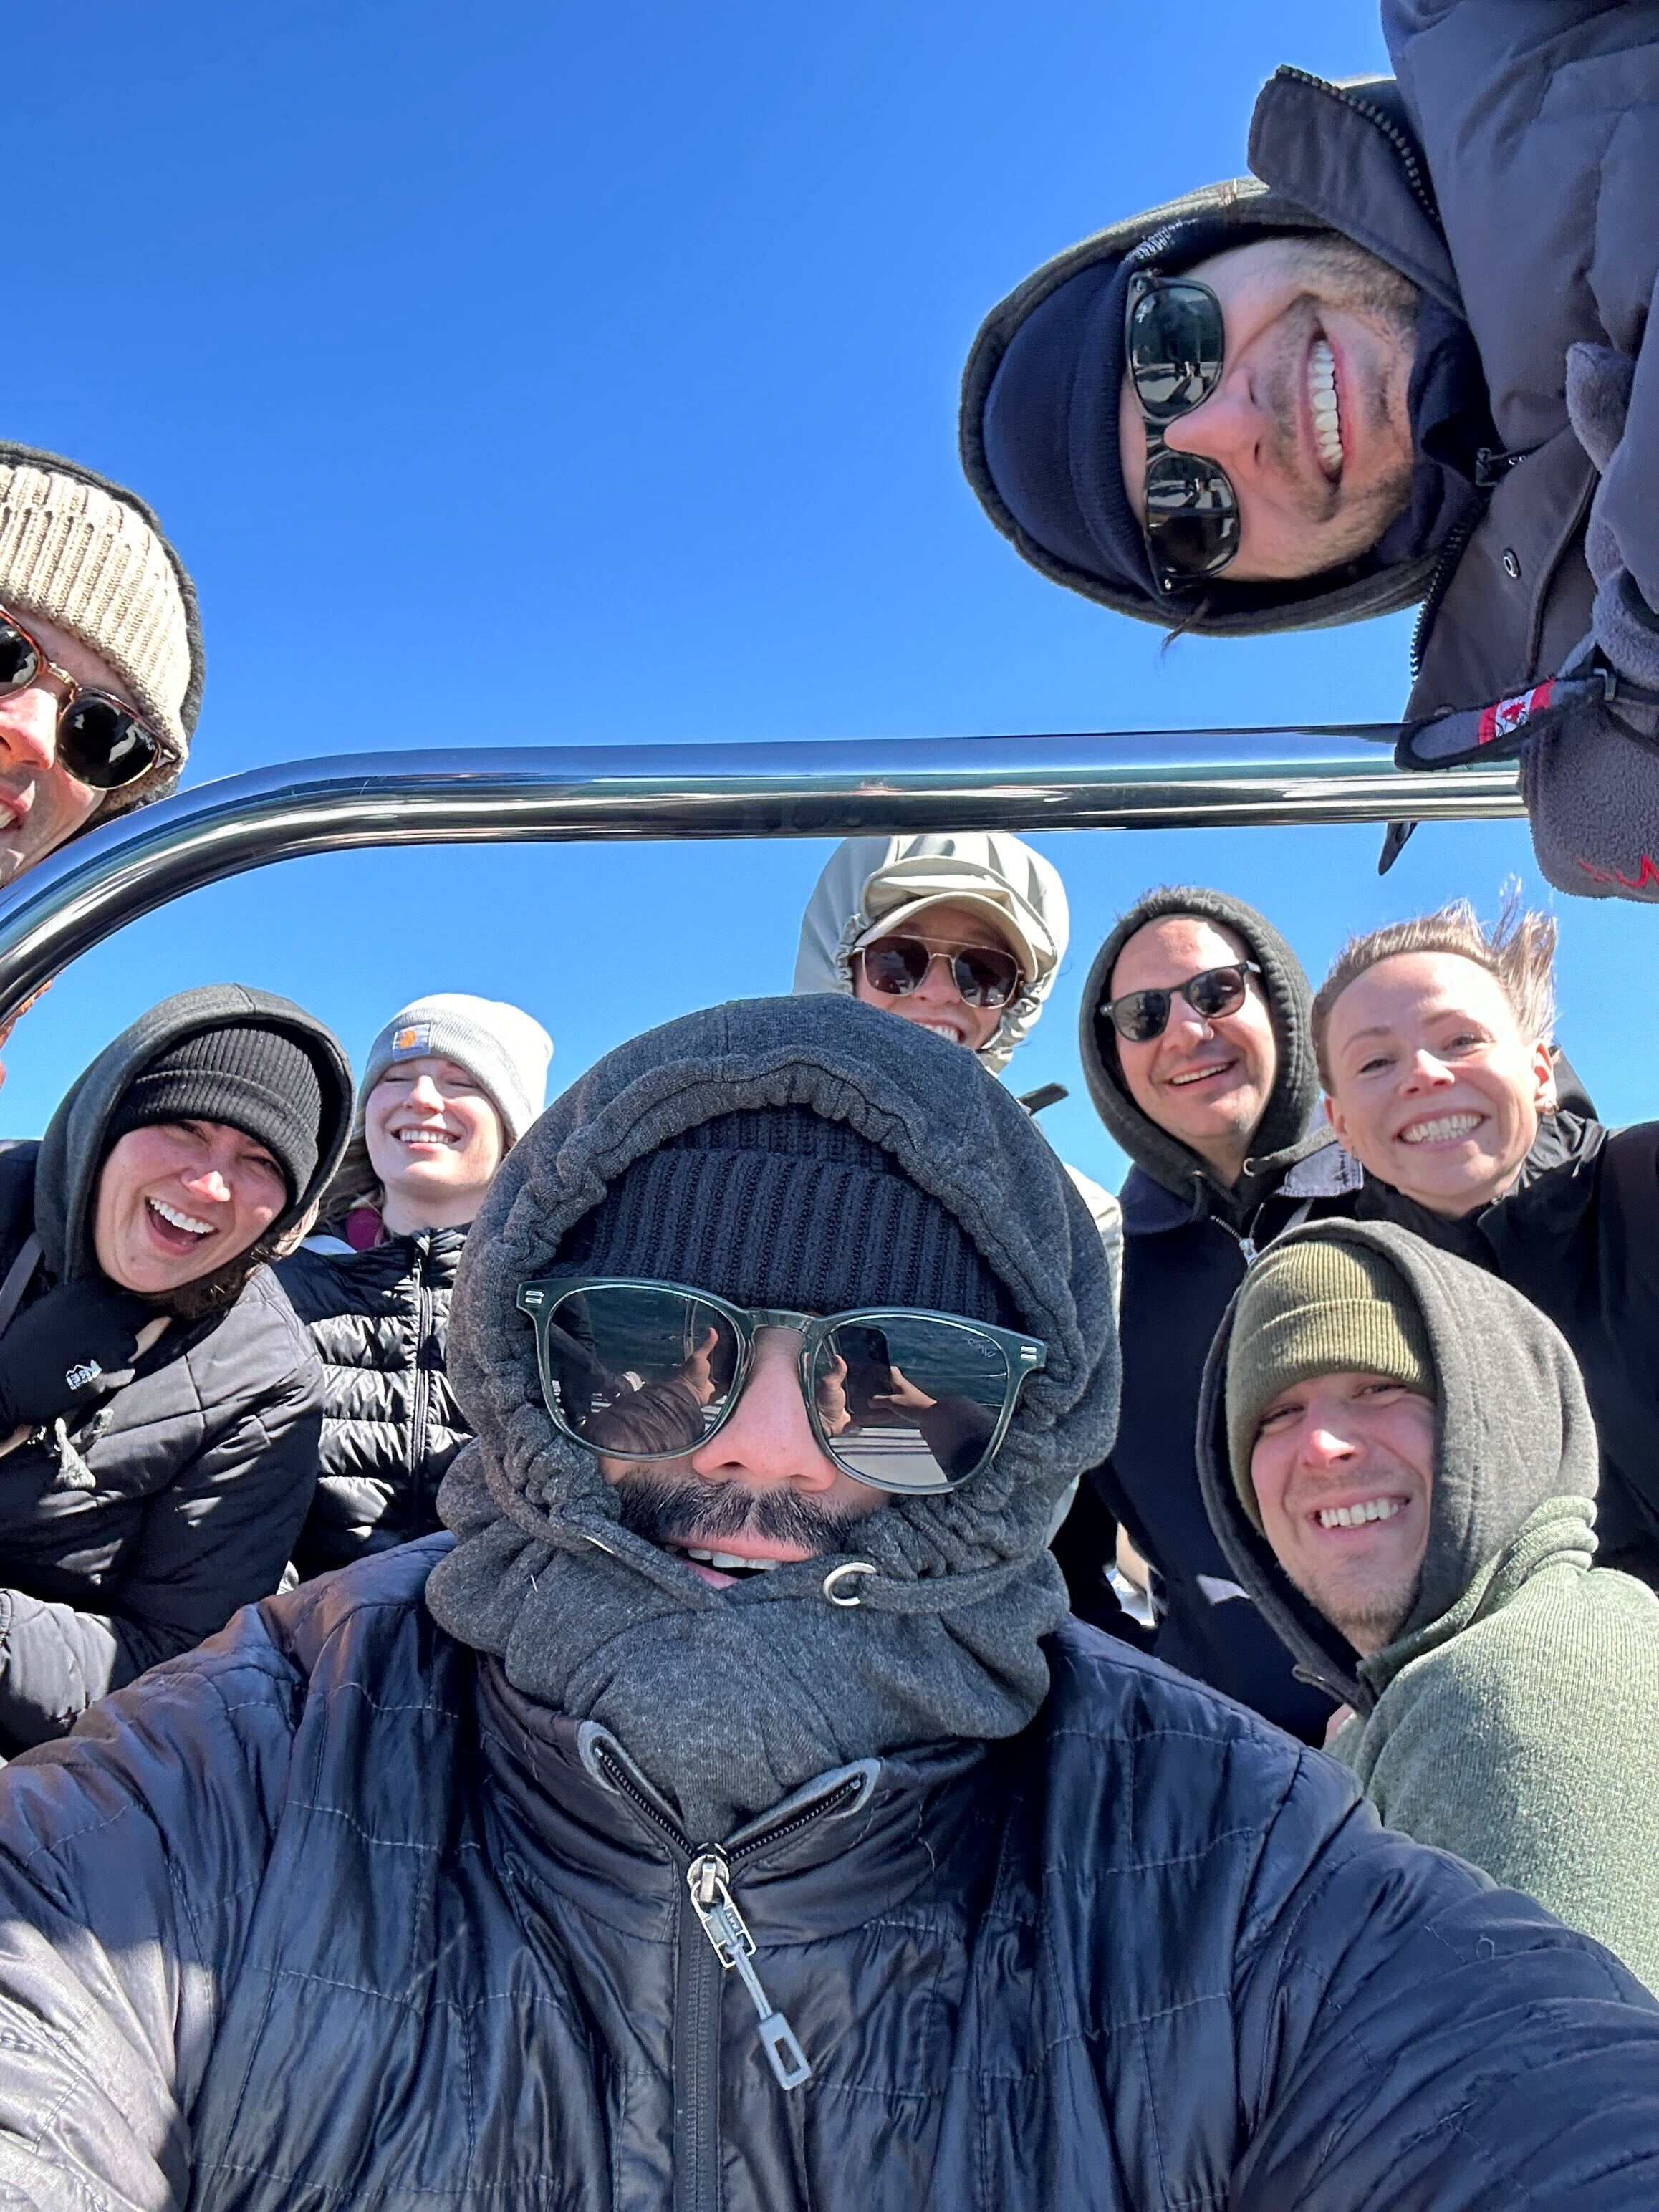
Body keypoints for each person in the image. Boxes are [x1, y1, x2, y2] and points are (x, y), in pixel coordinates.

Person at [0, 994, 1654, 2210]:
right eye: (652, 1349)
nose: (766, 1449)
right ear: (528, 1354)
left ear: (1022, 1429)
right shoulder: (260, 1749)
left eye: (903, 1383)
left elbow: (1535, 2101)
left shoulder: (1214, 1849)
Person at [958, 13, 1659, 900]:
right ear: (1279, 590)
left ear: (1225, 238)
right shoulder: (1598, 711)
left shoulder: (1479, 28)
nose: (1228, 431)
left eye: (1170, 347)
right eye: (1189, 513)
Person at [1198, 1219, 1659, 1991]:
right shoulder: (1416, 1699)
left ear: (1497, 1413)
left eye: (1379, 1387)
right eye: (1276, 1415)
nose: (1321, 1446)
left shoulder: (1519, 1689)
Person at [0, 984, 351, 1754]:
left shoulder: (265, 1379)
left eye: (260, 1160)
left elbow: (175, 1661)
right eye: (185, 1125)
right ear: (108, 1123)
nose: (209, 1184)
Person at [1054, 885, 1355, 1739]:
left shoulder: (1408, 1197)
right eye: (1143, 1015)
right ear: (1113, 1056)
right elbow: (1063, 1568)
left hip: (1473, 1725)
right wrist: (1174, 1715)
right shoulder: (1099, 1281)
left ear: (1278, 999)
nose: (1186, 1031)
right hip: (1246, 1768)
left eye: (1216, 992)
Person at [1313, 897, 1659, 1585]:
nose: (1424, 1073)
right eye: (1375, 1063)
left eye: (1462, 1041)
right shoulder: (1355, 1303)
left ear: (1539, 1074)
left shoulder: (1645, 1183)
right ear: (1340, 1125)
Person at [279, 991, 554, 1577]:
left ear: (514, 1130)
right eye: (397, 1077)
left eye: (461, 1082)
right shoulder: (275, 1282)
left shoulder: (566, 1301)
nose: (421, 1098)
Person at [793, 832, 1121, 1261]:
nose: (940, 992)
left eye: (983, 972)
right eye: (897, 959)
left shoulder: (1081, 1225)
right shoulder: (731, 1151)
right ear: (841, 967)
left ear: (1017, 1001)